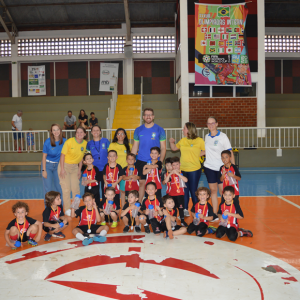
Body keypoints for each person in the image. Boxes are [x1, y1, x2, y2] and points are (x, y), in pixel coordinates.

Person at [169, 122, 205, 217]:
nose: (183, 130)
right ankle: (185, 209)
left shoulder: (199, 140)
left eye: (184, 128)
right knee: (184, 190)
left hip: (194, 169)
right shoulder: (183, 140)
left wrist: (197, 155)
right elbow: (173, 148)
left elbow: (206, 150)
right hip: (183, 169)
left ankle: (196, 209)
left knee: (193, 190)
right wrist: (171, 142)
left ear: (189, 130)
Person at [131, 108, 166, 202]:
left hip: (155, 161)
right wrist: (131, 160)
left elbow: (163, 148)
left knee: (155, 184)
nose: (148, 116)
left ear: (153, 116)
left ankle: (157, 205)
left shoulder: (160, 130)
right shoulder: (138, 130)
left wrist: (160, 161)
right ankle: (140, 205)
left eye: (150, 114)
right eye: (146, 115)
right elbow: (135, 146)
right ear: (143, 117)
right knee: (142, 184)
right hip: (141, 161)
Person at [204, 117, 234, 213]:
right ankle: (215, 213)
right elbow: (206, 151)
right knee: (213, 191)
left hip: (221, 169)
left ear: (217, 124)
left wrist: (232, 167)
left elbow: (230, 152)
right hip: (209, 167)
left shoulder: (223, 136)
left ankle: (224, 212)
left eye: (213, 123)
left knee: (223, 192)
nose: (211, 125)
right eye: (209, 123)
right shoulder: (206, 137)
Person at [58, 126, 87, 215]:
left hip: (75, 167)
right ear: (75, 134)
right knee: (66, 189)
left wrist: (79, 170)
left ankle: (75, 208)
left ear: (85, 134)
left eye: (81, 132)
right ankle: (67, 209)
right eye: (77, 132)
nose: (79, 134)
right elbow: (62, 155)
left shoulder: (85, 143)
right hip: (65, 166)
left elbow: (81, 158)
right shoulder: (69, 141)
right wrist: (62, 169)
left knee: (76, 189)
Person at [42, 124, 66, 208]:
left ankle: (60, 208)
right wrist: (44, 170)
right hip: (48, 165)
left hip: (58, 166)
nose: (56, 131)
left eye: (57, 129)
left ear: (60, 130)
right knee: (48, 189)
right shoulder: (48, 141)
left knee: (59, 188)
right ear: (51, 131)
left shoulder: (64, 141)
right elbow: (44, 156)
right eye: (54, 130)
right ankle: (48, 209)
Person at [108, 128, 132, 206]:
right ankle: (114, 207)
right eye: (118, 134)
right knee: (114, 190)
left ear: (125, 135)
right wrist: (109, 169)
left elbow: (132, 158)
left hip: (125, 171)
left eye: (122, 134)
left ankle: (123, 208)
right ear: (116, 135)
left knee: (123, 190)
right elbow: (109, 157)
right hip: (115, 170)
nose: (120, 135)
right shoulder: (112, 145)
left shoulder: (129, 146)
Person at [86, 125, 110, 201]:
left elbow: (110, 154)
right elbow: (87, 155)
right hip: (94, 168)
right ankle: (95, 204)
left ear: (100, 132)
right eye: (94, 130)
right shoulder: (89, 143)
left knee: (104, 187)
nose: (95, 132)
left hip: (104, 167)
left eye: (97, 130)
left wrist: (109, 165)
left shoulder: (106, 141)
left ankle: (104, 203)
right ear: (91, 132)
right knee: (95, 188)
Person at [163, 156, 188, 227]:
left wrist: (178, 174)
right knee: (172, 208)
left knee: (181, 208)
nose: (175, 166)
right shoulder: (168, 174)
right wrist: (171, 174)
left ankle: (182, 221)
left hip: (180, 194)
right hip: (171, 194)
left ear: (180, 164)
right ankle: (173, 220)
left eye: (177, 164)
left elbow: (186, 180)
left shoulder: (182, 172)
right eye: (173, 165)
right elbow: (165, 181)